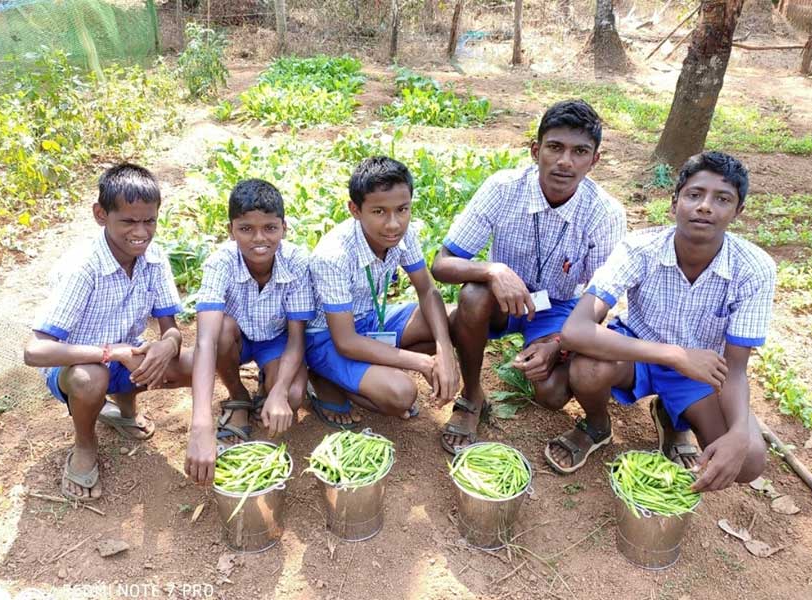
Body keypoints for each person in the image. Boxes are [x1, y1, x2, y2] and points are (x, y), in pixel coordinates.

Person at [554, 151, 774, 492]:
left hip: (704, 369)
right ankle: (597, 425)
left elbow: (736, 368)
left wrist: (740, 434)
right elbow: (575, 329)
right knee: (588, 368)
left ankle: (672, 418)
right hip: (639, 351)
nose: (705, 206)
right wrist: (674, 355)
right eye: (694, 194)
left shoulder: (755, 269)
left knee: (749, 460)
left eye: (722, 199)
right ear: (675, 203)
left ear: (738, 211)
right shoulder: (640, 248)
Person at [431, 100, 625, 454]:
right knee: (474, 296)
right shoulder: (503, 189)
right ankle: (472, 395)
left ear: (594, 160)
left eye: (580, 151)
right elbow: (442, 264)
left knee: (551, 394)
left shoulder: (605, 213)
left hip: (560, 306)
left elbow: (600, 298)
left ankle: (540, 348)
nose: (565, 161)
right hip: (501, 300)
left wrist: (557, 345)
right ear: (536, 151)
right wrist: (493, 269)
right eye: (555, 147)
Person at [24, 163, 193, 501]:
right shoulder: (83, 268)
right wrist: (110, 352)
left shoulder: (154, 258)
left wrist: (168, 345)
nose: (141, 232)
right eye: (129, 221)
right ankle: (84, 445)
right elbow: (35, 351)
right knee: (91, 378)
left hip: (125, 358)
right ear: (101, 215)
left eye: (149, 221)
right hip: (74, 368)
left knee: (196, 361)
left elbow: (171, 329)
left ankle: (124, 413)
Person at [305, 156, 459, 427]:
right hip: (328, 338)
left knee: (452, 319)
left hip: (370, 320)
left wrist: (444, 350)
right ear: (355, 209)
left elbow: (427, 290)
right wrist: (424, 363)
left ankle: (363, 375)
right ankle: (323, 378)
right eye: (379, 212)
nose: (393, 224)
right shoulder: (333, 255)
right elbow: (346, 341)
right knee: (401, 394)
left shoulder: (402, 234)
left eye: (402, 209)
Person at [185, 179, 314, 484]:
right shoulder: (220, 263)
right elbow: (205, 342)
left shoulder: (296, 260)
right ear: (231, 230)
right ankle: (239, 396)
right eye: (246, 229)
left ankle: (268, 386)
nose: (259, 239)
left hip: (276, 340)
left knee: (293, 396)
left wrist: (280, 393)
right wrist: (201, 424)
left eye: (270, 228)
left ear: (284, 227)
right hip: (235, 341)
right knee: (219, 331)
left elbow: (297, 338)